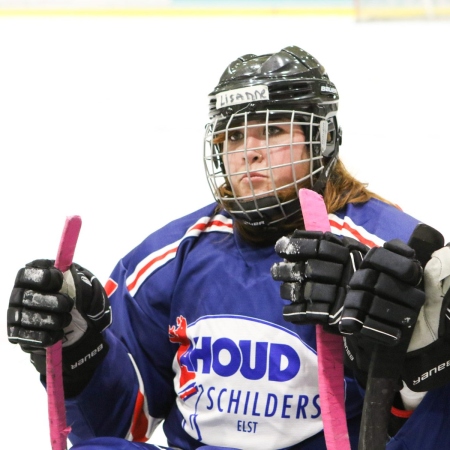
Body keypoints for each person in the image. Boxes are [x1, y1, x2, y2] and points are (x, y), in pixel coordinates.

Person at [6, 45, 450, 450]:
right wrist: (80, 353)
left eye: (272, 130)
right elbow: (122, 427)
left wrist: (403, 367)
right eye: (234, 136)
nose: (247, 153)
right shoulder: (171, 256)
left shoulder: (393, 253)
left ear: (324, 138)